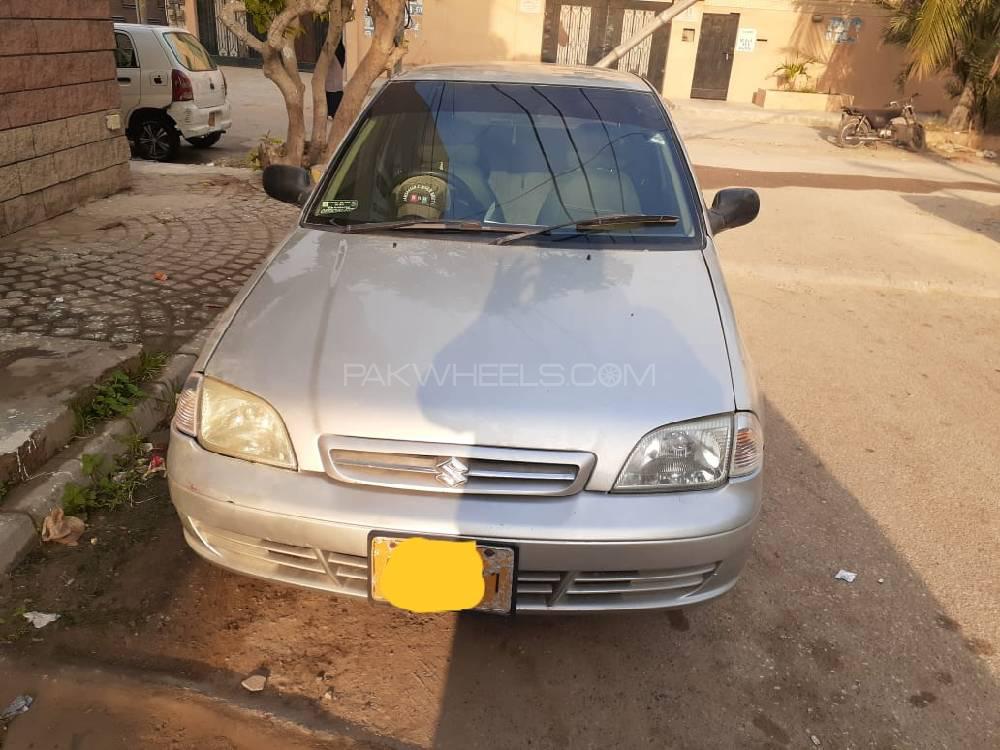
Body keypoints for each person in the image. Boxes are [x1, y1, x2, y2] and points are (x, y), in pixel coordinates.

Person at [325, 38, 346, 118]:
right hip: (337, 74)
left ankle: (331, 112)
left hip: (332, 73)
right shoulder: (341, 48)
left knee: (331, 92)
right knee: (335, 91)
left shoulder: (333, 49)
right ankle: (334, 113)